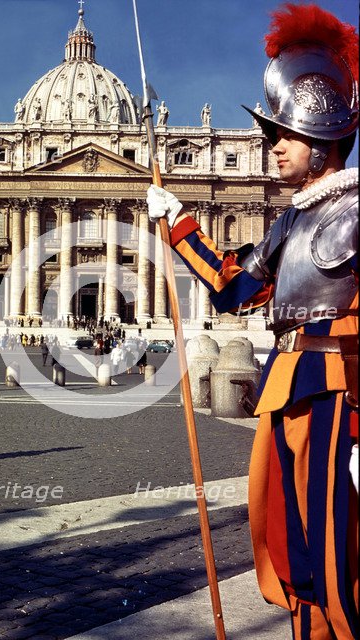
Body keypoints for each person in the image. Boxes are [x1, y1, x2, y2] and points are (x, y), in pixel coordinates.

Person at [147, 5, 358, 639]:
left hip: (339, 394)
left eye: (282, 136)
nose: (272, 148)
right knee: (294, 551)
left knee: (336, 556)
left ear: (320, 139)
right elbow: (237, 288)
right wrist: (179, 223)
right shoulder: (291, 221)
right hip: (286, 388)